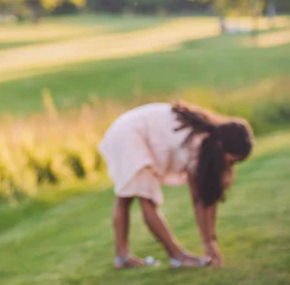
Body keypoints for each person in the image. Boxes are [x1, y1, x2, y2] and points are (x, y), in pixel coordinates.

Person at [98, 102, 253, 269]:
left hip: (127, 128)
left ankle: (122, 258)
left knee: (125, 197)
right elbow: (199, 199)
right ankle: (177, 257)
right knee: (146, 198)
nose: (230, 166)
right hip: (129, 135)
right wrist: (208, 245)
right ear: (221, 146)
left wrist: (210, 242)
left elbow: (205, 198)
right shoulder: (198, 144)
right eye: (231, 160)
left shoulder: (207, 139)